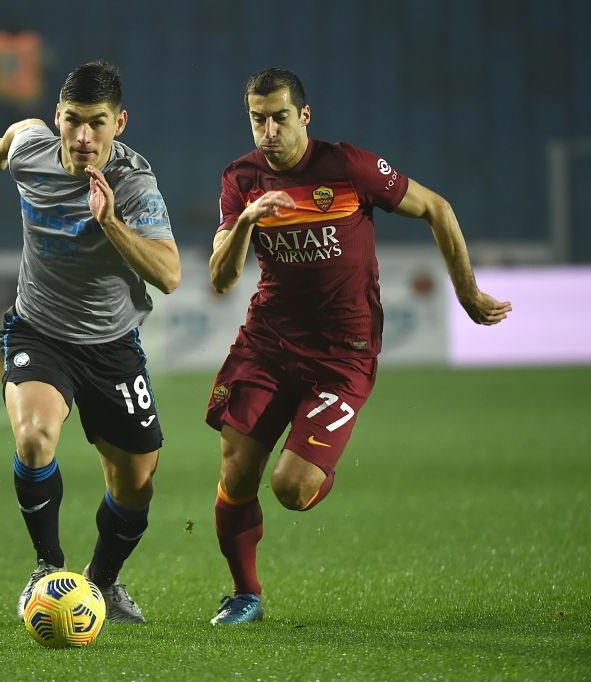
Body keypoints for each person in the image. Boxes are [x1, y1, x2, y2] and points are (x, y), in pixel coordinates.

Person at [205, 68, 512, 625]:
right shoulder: (241, 179)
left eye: (279, 116)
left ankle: (318, 463)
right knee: (235, 472)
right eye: (257, 119)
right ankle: (245, 593)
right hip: (267, 343)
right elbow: (222, 278)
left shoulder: (348, 167)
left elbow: (436, 208)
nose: (268, 130)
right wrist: (247, 219)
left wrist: (466, 292)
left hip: (342, 354)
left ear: (304, 116)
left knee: (293, 489)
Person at [0, 61, 180, 623]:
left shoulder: (134, 183)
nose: (84, 137)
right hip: (39, 331)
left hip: (112, 345)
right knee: (34, 438)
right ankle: (48, 569)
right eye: (72, 122)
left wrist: (112, 223)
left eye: (98, 123)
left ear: (120, 123)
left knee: (136, 483)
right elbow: (21, 132)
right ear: (59, 119)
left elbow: (169, 275)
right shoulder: (32, 154)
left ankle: (103, 583)